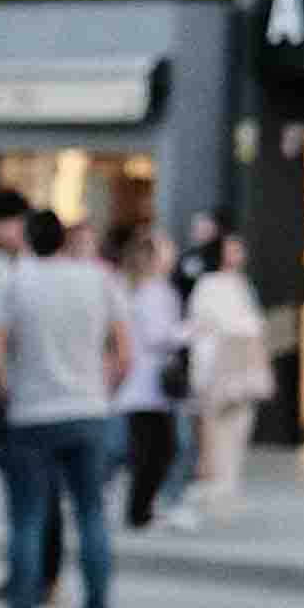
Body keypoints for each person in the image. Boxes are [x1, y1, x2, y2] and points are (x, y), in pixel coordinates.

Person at [0, 208, 130, 608]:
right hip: (87, 410)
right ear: (64, 241)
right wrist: (104, 392)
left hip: (31, 414)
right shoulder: (99, 280)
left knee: (27, 519)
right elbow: (124, 353)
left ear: (29, 239)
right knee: (91, 516)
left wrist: (6, 391)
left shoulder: (17, 282)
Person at [182, 232, 271, 511]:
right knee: (216, 432)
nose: (238, 254)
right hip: (216, 370)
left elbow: (253, 325)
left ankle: (227, 484)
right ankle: (216, 485)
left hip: (241, 369)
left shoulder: (240, 284)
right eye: (231, 249)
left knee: (238, 427)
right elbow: (216, 327)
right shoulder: (208, 285)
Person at [110, 225, 186, 528]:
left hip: (137, 384)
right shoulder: (156, 291)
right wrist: (189, 331)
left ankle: (141, 508)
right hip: (150, 383)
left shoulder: (132, 288)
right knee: (159, 449)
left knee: (148, 448)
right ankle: (140, 511)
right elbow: (160, 336)